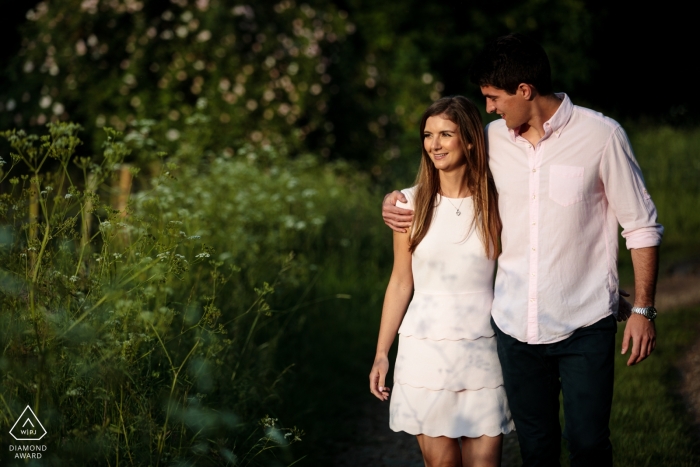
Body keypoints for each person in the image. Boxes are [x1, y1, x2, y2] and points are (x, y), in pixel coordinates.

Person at [381, 34, 663, 467]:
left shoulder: (601, 136)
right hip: (515, 328)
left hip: (584, 321)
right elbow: (445, 180)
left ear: (525, 91)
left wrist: (642, 309)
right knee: (536, 450)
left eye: (494, 98)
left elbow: (641, 226)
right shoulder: (494, 141)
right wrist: (395, 200)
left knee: (588, 445)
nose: (490, 108)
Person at [369, 96, 515, 467]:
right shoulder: (408, 205)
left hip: (484, 348)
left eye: (445, 134)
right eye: (428, 135)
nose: (434, 144)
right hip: (425, 351)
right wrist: (382, 353)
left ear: (468, 140)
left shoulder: (498, 204)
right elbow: (401, 282)